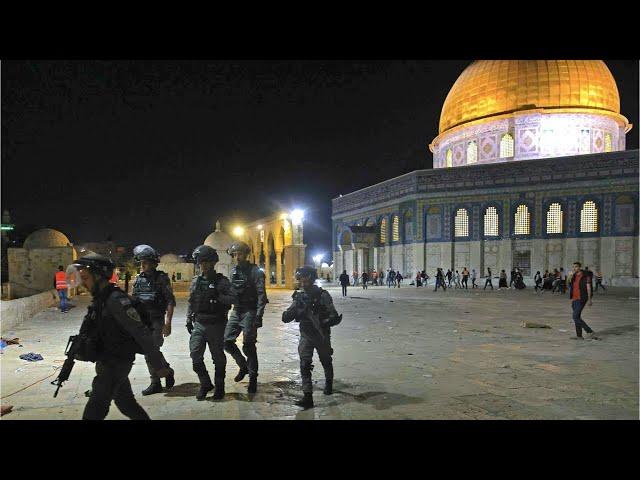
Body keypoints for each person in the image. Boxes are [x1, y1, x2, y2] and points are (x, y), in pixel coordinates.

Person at [70, 253, 173, 420]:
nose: (83, 283)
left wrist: (158, 365)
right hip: (108, 360)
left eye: (86, 278)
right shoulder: (101, 299)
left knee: (95, 409)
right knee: (126, 404)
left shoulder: (115, 300)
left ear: (98, 276)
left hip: (116, 363)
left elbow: (142, 333)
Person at [282, 266, 342, 409]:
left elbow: (333, 314)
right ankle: (307, 396)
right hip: (306, 334)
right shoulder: (299, 296)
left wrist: (325, 321)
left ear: (310, 277)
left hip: (321, 333)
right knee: (304, 364)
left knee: (326, 360)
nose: (301, 281)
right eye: (300, 279)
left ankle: (329, 383)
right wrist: (295, 312)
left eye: (304, 278)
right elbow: (286, 316)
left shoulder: (323, 295)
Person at [187, 245, 235, 400]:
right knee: (195, 354)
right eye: (201, 262)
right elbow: (192, 300)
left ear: (213, 262)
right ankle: (205, 383)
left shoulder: (222, 281)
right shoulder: (196, 281)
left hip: (217, 324)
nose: (203, 265)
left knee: (218, 358)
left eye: (206, 262)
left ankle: (219, 387)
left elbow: (233, 299)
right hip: (200, 323)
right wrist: (189, 318)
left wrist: (219, 296)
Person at [131, 244, 176, 396]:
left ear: (153, 263)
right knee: (149, 351)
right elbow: (134, 301)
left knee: (151, 351)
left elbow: (170, 301)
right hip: (142, 321)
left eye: (146, 262)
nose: (142, 265)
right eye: (141, 262)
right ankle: (167, 371)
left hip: (156, 320)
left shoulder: (161, 279)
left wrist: (168, 323)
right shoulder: (138, 280)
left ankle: (155, 382)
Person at [224, 241, 268, 394]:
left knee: (248, 345)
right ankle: (243, 366)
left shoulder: (255, 272)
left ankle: (253, 378)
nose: (237, 257)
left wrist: (259, 315)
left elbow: (262, 295)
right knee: (227, 342)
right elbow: (231, 291)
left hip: (250, 311)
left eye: (240, 254)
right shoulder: (233, 271)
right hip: (237, 310)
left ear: (246, 255)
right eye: (234, 255)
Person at [568, 261, 597, 340]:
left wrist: (590, 299)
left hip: (582, 298)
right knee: (577, 317)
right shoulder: (573, 276)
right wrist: (569, 278)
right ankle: (579, 336)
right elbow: (569, 286)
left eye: (576, 267)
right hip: (574, 298)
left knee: (575, 316)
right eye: (573, 267)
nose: (574, 268)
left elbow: (589, 287)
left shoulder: (586, 276)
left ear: (579, 267)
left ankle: (589, 331)